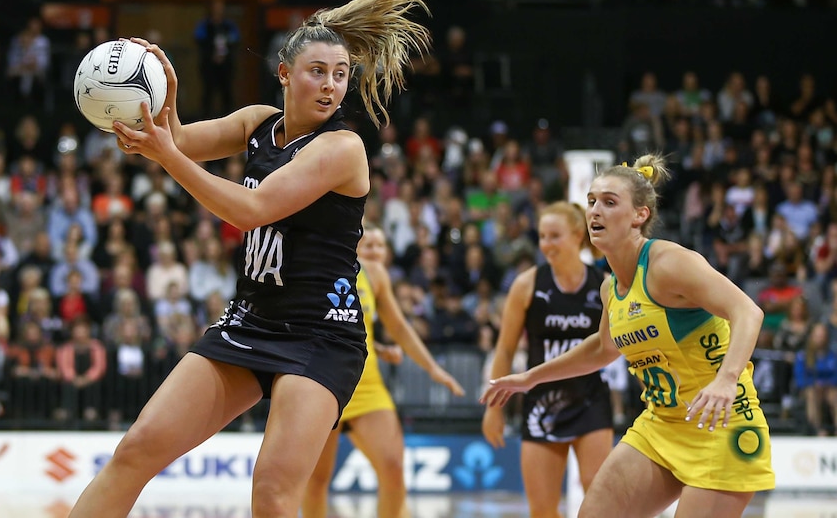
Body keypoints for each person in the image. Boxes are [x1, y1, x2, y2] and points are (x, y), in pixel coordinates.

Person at [67, 0, 433, 518]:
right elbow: (182, 139)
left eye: (340, 75)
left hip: (320, 335)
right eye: (317, 72)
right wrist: (158, 93)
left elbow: (250, 209)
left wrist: (167, 154)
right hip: (250, 320)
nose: (331, 86)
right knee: (137, 449)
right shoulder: (258, 124)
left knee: (273, 492)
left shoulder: (343, 148)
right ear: (285, 74)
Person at [481, 154, 775, 518]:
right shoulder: (610, 288)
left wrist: (727, 380)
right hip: (662, 425)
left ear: (640, 215)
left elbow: (748, 311)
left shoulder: (668, 263)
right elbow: (603, 349)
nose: (595, 212)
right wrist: (531, 377)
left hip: (721, 424)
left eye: (609, 202)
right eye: (591, 202)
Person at [302, 224, 464, 518]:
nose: (375, 252)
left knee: (393, 467)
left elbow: (398, 326)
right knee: (316, 479)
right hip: (324, 382)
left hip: (367, 386)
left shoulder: (375, 275)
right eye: (369, 245)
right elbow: (321, 325)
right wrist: (375, 346)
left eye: (380, 246)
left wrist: (432, 368)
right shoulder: (322, 267)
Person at [482, 201, 613, 518]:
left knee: (599, 495)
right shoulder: (527, 285)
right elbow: (505, 350)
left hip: (590, 398)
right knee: (542, 509)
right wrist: (494, 409)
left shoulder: (605, 284)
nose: (546, 245)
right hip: (540, 403)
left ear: (577, 235)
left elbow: (620, 345)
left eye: (554, 236)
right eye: (542, 236)